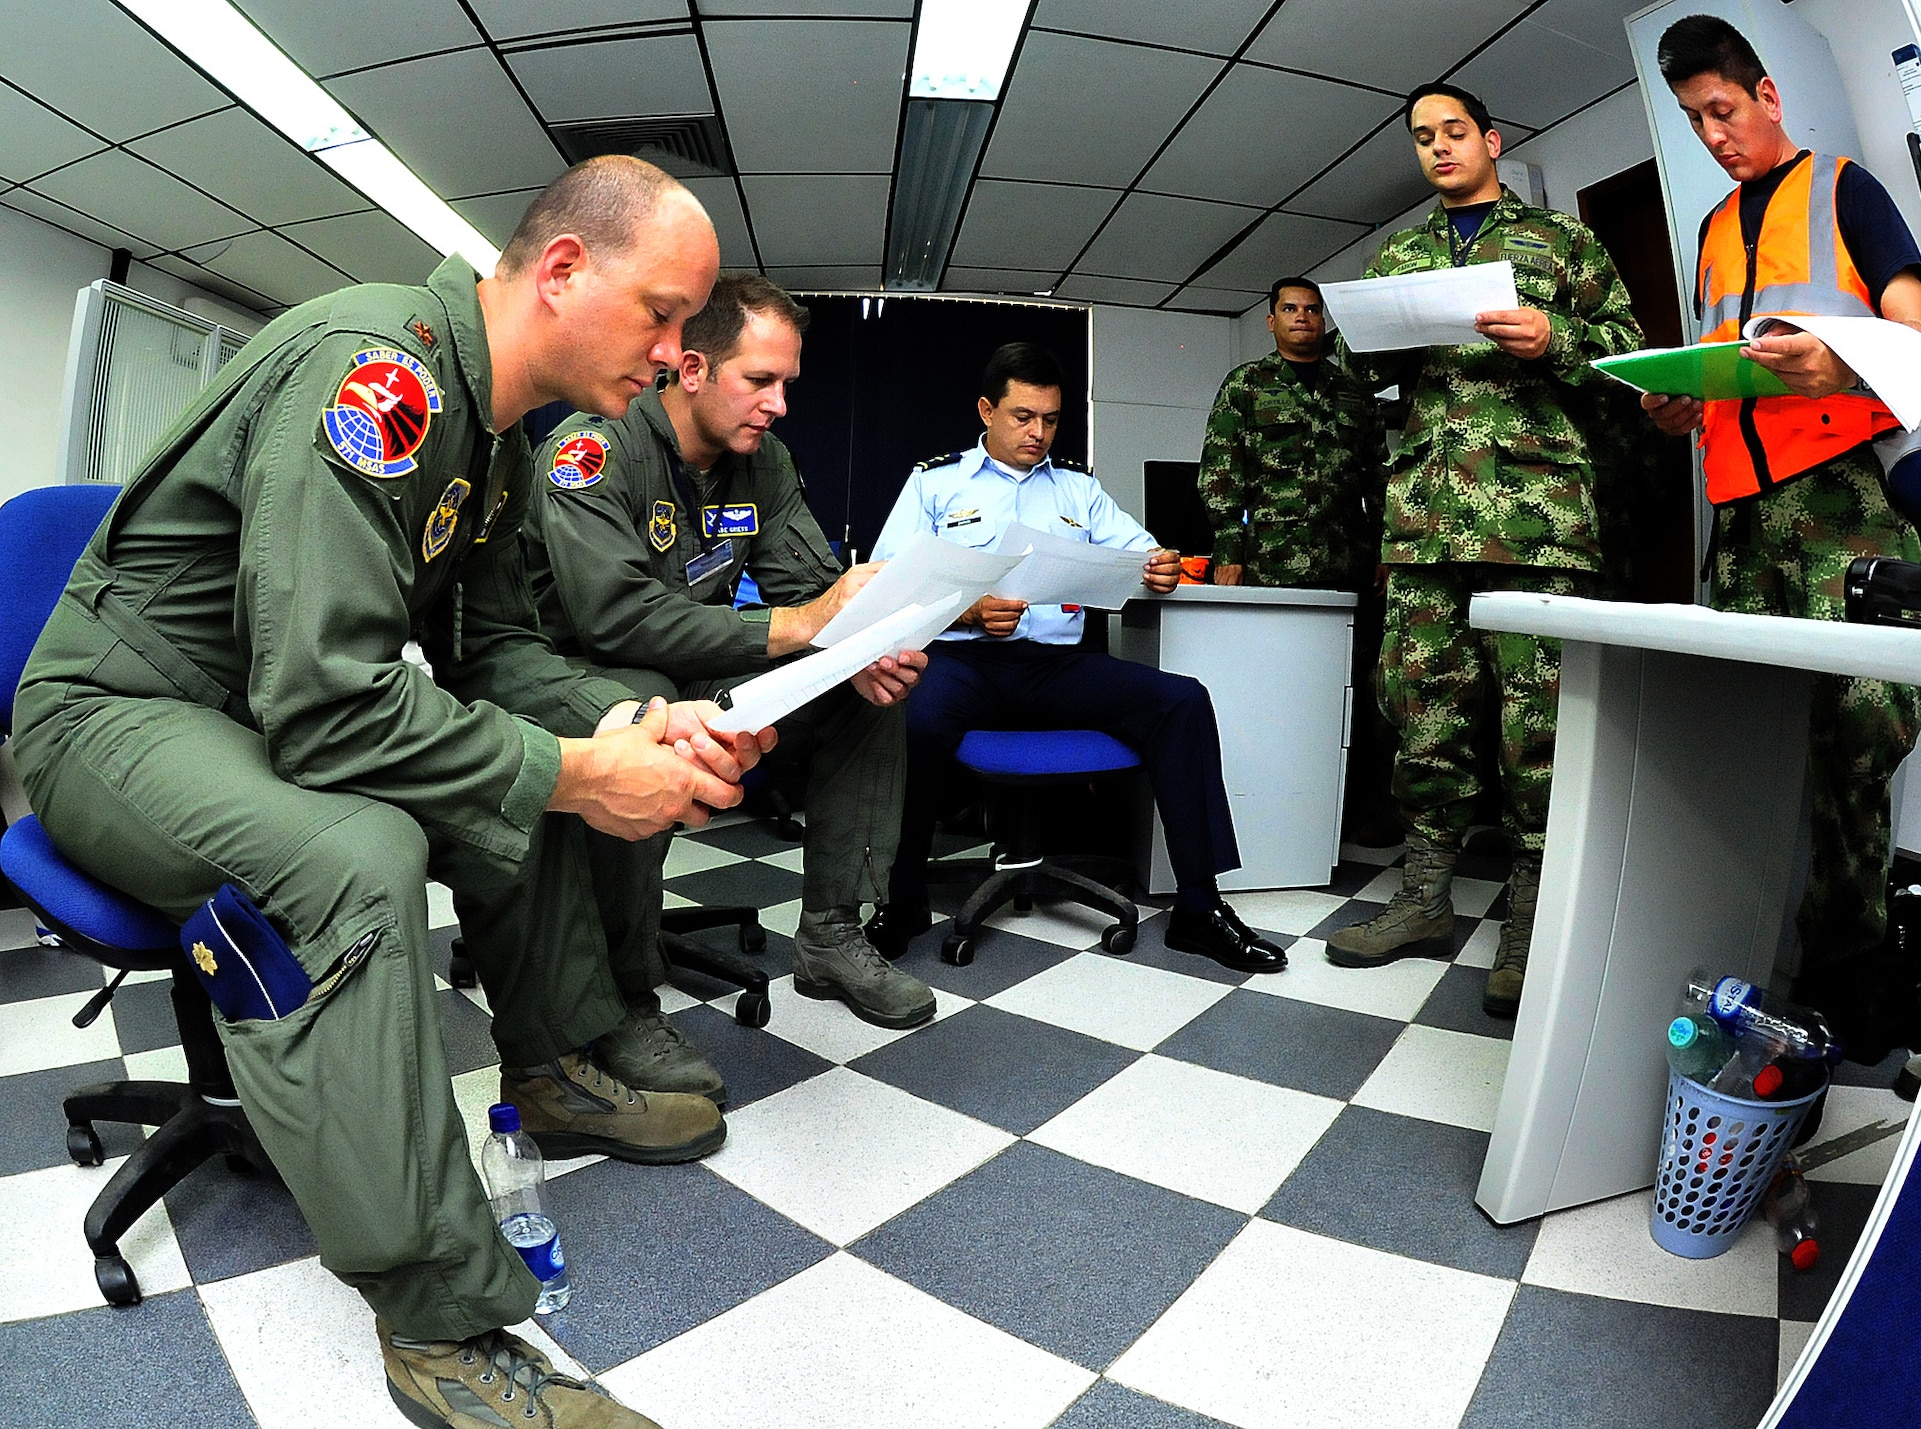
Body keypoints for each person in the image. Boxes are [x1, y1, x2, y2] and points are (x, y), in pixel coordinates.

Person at [9, 157, 771, 1429]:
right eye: (662, 315)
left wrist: (631, 725)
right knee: (355, 848)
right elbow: (322, 698)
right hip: (112, 720)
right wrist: (579, 772)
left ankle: (558, 1062)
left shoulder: (501, 446)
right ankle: (442, 1326)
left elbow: (503, 661)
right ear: (567, 270)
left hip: (240, 716)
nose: (676, 354)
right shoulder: (383, 376)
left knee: (521, 767)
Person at [525, 273, 935, 1053]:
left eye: (786, 383)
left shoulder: (765, 463)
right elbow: (615, 622)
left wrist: (850, 649)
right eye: (760, 380)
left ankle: (830, 935)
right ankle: (619, 996)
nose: (779, 403)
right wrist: (803, 624)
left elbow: (815, 592)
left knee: (869, 689)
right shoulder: (591, 450)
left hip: (696, 671)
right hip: (579, 678)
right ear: (692, 370)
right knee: (646, 705)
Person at [1648, 15, 1921, 1056]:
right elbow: (1715, 360)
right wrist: (1678, 403)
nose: (1712, 136)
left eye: (1720, 111)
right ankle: (1745, 966)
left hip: (1839, 505)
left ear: (1765, 96)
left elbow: (1917, 337)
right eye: (1692, 122)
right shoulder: (1711, 231)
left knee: (1853, 737)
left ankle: (1853, 975)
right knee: (1742, 737)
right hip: (1740, 519)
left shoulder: (1844, 190)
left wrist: (1841, 361)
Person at [1327, 82, 1644, 1019]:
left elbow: (1625, 355)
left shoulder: (1566, 244)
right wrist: (1371, 345)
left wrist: (1555, 337)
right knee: (1423, 713)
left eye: (1453, 131)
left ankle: (1530, 924)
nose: (1438, 148)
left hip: (1536, 522)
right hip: (1427, 520)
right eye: (1423, 138)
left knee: (1537, 729)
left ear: (1493, 140)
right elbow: (1360, 372)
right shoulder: (1403, 253)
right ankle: (1422, 899)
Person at [868, 342, 1287, 974]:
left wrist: (1161, 566)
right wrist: (971, 612)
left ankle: (1199, 908)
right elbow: (888, 587)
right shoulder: (935, 484)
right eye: (1022, 417)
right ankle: (902, 900)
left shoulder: (1078, 490)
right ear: (986, 411)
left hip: (1052, 667)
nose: (1038, 433)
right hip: (964, 664)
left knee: (1181, 700)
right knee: (913, 718)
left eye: (1052, 419)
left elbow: (1140, 558)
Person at [1196, 275, 1396, 844]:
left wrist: (1386, 547)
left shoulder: (1354, 391)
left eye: (1312, 310)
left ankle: (1358, 811)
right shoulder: (1247, 385)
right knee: (1278, 691)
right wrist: (1228, 549)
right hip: (1272, 568)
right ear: (1271, 320)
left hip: (1349, 565)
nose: (1303, 318)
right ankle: (1275, 806)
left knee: (1360, 694)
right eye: (1290, 309)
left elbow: (1378, 475)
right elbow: (1221, 473)